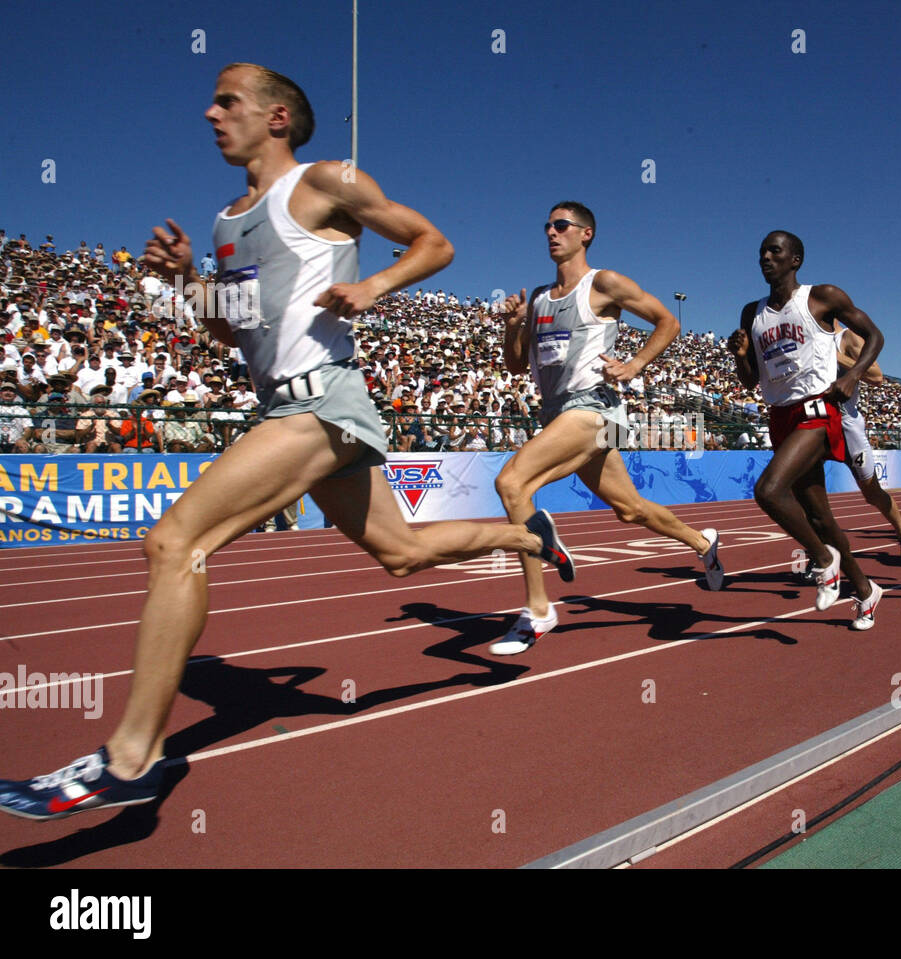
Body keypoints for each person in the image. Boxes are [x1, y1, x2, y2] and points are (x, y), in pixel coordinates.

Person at [0, 63, 573, 822]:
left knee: (175, 543)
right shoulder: (225, 222)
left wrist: (372, 288)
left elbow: (435, 245)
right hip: (284, 404)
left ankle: (132, 756)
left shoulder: (326, 182)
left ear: (276, 118)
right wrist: (185, 285)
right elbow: (231, 331)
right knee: (403, 553)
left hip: (323, 404)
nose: (210, 111)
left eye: (227, 100)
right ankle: (528, 534)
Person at [490, 202, 724, 655]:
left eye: (561, 226)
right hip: (557, 414)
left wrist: (635, 363)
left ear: (586, 234)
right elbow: (517, 365)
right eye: (547, 227)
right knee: (632, 510)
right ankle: (703, 542)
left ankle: (538, 609)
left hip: (596, 410)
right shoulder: (539, 297)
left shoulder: (604, 283)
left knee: (512, 483)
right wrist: (513, 326)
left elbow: (668, 321)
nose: (551, 233)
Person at [728, 230, 884, 629]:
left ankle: (822, 558)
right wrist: (740, 355)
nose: (765, 256)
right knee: (820, 520)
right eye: (761, 250)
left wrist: (853, 377)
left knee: (768, 491)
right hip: (780, 417)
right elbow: (749, 381)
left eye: (774, 251)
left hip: (818, 410)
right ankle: (866, 591)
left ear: (794, 259)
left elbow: (875, 336)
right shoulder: (752, 313)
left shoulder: (822, 297)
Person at [833, 324, 901, 565]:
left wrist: (836, 356)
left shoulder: (846, 338)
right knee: (809, 490)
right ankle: (821, 555)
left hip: (846, 424)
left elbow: (876, 376)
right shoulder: (807, 336)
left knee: (871, 493)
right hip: (815, 423)